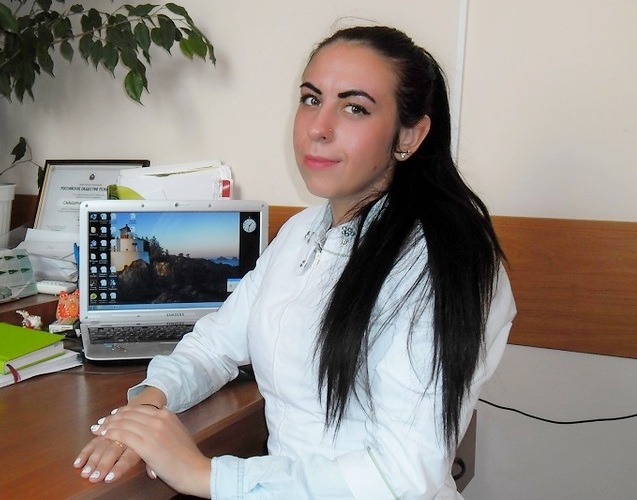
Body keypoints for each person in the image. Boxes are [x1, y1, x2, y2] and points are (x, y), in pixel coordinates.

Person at [73, 25, 516, 499]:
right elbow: (215, 345)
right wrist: (147, 406)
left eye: (354, 107)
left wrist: (205, 475)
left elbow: (402, 475)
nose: (318, 128)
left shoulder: (445, 261)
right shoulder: (301, 233)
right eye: (311, 99)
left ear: (409, 134)